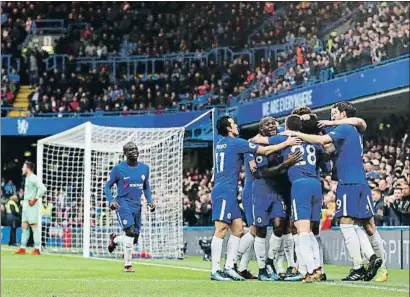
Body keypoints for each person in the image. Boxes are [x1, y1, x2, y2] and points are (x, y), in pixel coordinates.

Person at [280, 101, 386, 282]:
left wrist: (297, 134)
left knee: (346, 224)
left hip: (348, 183)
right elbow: (328, 146)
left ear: (344, 114)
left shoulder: (344, 128)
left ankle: (360, 265)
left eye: (334, 113)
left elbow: (323, 141)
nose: (332, 116)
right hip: (361, 182)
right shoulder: (353, 131)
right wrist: (315, 127)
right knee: (366, 225)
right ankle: (381, 266)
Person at [210, 116, 300, 281]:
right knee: (221, 230)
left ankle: (231, 267)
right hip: (226, 190)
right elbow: (264, 151)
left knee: (238, 229)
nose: (237, 125)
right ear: (229, 128)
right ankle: (215, 269)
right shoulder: (236, 142)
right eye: (233, 124)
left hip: (228, 190)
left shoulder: (220, 144)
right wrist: (286, 143)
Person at [250, 117, 302, 281]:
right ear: (261, 129)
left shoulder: (283, 141)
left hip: (280, 190)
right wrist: (286, 164)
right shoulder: (259, 147)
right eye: (267, 123)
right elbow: (263, 172)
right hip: (262, 189)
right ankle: (261, 269)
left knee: (279, 226)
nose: (272, 125)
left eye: (274, 122)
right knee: (261, 230)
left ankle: (270, 261)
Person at [104, 142, 156, 273]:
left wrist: (150, 201)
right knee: (130, 232)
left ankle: (115, 239)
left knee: (135, 238)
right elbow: (107, 186)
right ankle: (128, 265)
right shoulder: (118, 169)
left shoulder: (145, 168)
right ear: (125, 154)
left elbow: (146, 187)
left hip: (137, 205)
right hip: (123, 203)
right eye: (130, 150)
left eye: (135, 149)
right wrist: (111, 201)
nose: (134, 151)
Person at [13, 161, 47, 255]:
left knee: (34, 226)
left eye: (23, 167)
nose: (22, 169)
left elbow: (43, 188)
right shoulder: (27, 178)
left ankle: (37, 248)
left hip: (32, 204)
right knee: (24, 226)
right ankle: (22, 248)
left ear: (28, 168)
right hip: (26, 204)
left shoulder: (33, 178)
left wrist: (35, 199)